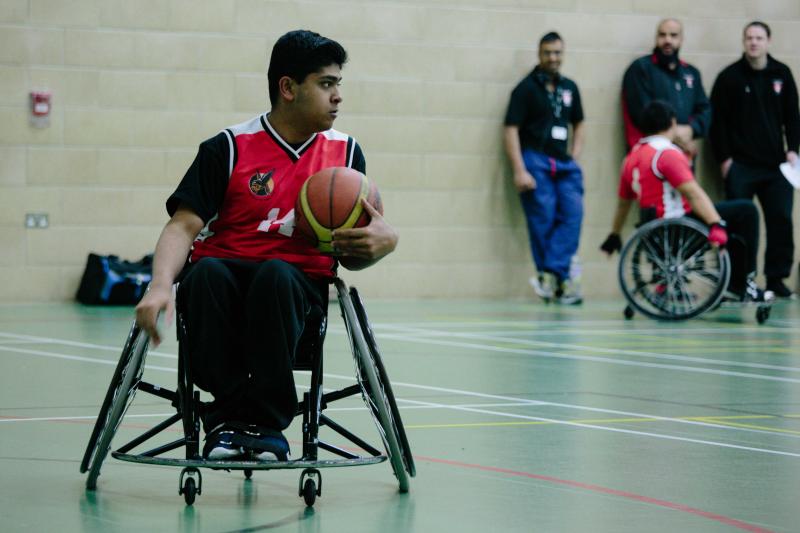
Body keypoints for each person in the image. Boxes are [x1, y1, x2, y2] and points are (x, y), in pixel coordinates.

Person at [134, 30, 398, 461]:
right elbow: (183, 227)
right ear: (288, 88)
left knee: (275, 275)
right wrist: (160, 285)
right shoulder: (227, 147)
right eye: (326, 84)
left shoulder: (346, 155)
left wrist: (384, 242)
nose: (337, 97)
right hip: (221, 283)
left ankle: (262, 421)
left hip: (295, 290)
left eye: (338, 85)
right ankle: (231, 415)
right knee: (206, 275)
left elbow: (351, 255)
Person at [601, 100, 772, 303]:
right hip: (677, 230)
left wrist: (614, 234)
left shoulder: (631, 158)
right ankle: (744, 283)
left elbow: (624, 203)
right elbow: (693, 193)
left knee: (731, 219)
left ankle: (730, 282)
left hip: (652, 234)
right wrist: (715, 223)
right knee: (746, 210)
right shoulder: (666, 153)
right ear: (672, 123)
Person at [709, 21, 800, 299]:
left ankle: (776, 279)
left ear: (768, 41)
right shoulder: (729, 77)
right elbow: (717, 123)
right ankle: (737, 281)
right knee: (738, 224)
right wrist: (725, 160)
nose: (754, 43)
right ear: (743, 41)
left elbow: (793, 117)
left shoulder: (781, 74)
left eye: (759, 38)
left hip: (775, 167)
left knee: (781, 220)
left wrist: (793, 149)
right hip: (741, 166)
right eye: (749, 38)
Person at [503, 31, 585, 304]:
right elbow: (511, 129)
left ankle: (552, 272)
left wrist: (575, 154)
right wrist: (519, 169)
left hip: (564, 162)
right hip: (535, 160)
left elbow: (579, 123)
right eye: (548, 52)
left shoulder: (570, 87)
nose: (553, 58)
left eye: (558, 53)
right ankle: (555, 278)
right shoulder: (525, 88)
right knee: (543, 218)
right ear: (539, 54)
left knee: (573, 215)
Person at [622, 18, 711, 158]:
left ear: (681, 39)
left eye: (673, 35)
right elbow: (644, 114)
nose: (667, 40)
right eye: (662, 35)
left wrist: (692, 130)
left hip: (683, 156)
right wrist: (678, 134)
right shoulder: (641, 69)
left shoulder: (691, 73)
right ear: (656, 38)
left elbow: (705, 110)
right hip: (650, 157)